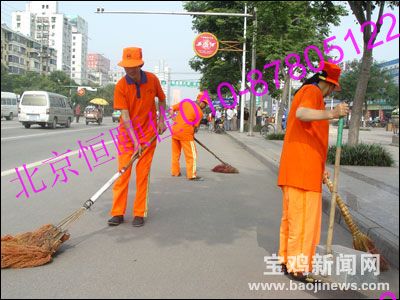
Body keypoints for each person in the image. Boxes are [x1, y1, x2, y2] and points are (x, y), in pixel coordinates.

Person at [277, 61, 349, 282]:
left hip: (302, 168)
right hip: (302, 171)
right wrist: (333, 113)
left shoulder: (310, 93)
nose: (329, 93)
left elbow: (311, 136)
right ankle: (298, 267)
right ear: (327, 82)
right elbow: (301, 114)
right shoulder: (312, 91)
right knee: (305, 221)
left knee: (292, 218)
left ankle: (287, 260)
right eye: (331, 88)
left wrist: (320, 168)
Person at [108, 47, 166, 227]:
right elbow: (125, 117)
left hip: (148, 134)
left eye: (133, 67)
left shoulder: (152, 80)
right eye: (127, 67)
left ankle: (139, 213)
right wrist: (134, 143)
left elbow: (162, 100)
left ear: (141, 64)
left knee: (142, 174)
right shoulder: (121, 86)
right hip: (127, 136)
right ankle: (117, 212)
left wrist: (161, 121)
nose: (130, 70)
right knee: (123, 173)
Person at [171, 92, 208, 180]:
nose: (205, 106)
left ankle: (175, 172)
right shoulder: (199, 113)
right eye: (204, 103)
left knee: (175, 153)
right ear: (199, 100)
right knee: (192, 155)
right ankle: (191, 175)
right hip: (186, 134)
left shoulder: (185, 102)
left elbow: (171, 108)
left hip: (175, 131)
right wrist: (193, 131)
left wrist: (174, 119)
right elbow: (195, 128)